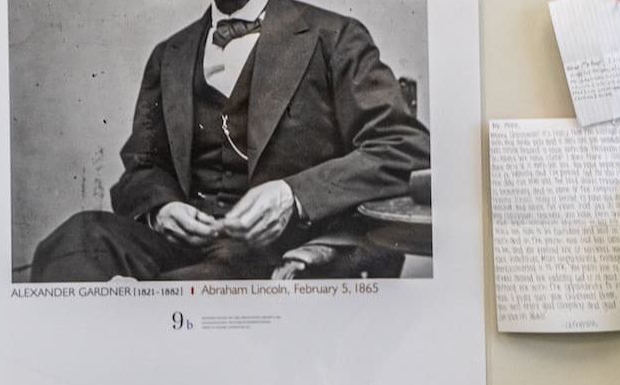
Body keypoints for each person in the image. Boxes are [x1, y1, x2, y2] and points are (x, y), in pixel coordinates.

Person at [29, 0, 427, 282]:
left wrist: (293, 195)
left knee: (172, 300)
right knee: (76, 242)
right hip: (184, 244)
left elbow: (405, 146)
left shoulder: (335, 38)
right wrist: (162, 209)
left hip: (277, 250)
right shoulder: (170, 54)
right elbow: (143, 164)